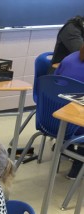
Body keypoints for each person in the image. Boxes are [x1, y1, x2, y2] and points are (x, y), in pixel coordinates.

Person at [54, 44, 84, 179]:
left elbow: (54, 81)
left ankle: (66, 149)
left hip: (54, 118)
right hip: (78, 124)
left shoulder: (69, 58)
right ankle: (78, 165)